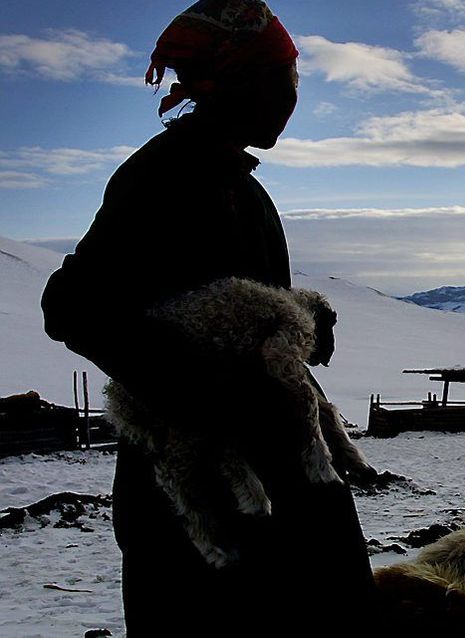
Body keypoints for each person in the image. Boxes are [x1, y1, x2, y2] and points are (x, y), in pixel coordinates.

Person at [40, 1, 376, 633]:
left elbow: (240, 299)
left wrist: (302, 322)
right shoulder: (162, 178)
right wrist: (198, 389)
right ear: (240, 81)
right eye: (284, 80)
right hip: (195, 483)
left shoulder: (238, 185)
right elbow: (73, 303)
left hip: (270, 455)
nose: (291, 98)